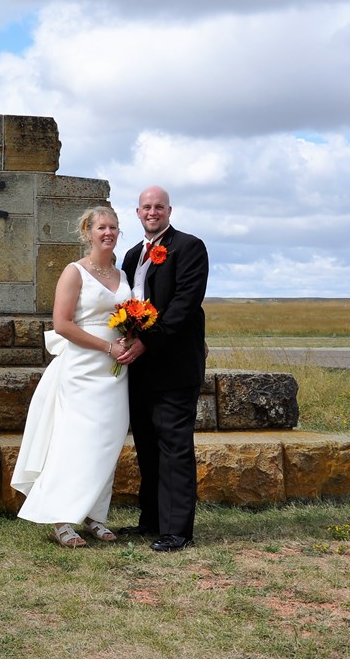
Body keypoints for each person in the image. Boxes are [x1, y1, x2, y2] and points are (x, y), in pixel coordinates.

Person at [11, 206, 131, 547]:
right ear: (88, 232)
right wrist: (107, 348)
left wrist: (129, 342)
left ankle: (96, 517)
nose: (108, 233)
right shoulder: (74, 271)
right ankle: (61, 519)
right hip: (82, 368)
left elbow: (130, 317)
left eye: (113, 227)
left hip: (116, 371)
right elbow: (62, 324)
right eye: (101, 227)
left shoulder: (122, 275)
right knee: (74, 441)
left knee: (107, 442)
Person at [115, 186, 209, 552]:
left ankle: (177, 532)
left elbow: (185, 303)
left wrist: (148, 341)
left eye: (159, 207)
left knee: (174, 447)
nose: (152, 212)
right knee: (147, 446)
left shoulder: (189, 247)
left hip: (173, 364)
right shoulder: (131, 255)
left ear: (169, 210)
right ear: (137, 213)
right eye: (146, 207)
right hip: (139, 367)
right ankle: (151, 521)